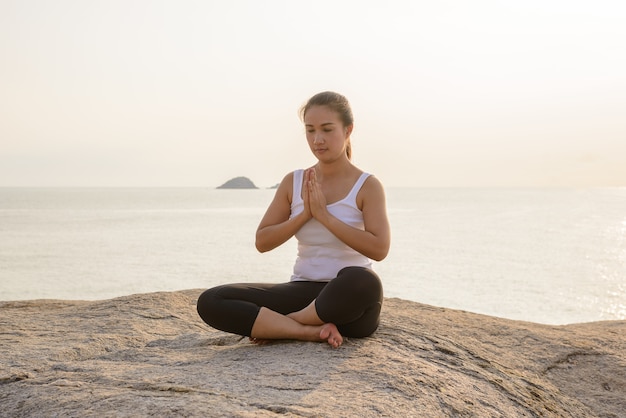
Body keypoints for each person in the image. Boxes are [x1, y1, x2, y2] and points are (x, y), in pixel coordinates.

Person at [196, 91, 390, 348]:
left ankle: (285, 324)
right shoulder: (294, 181)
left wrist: (325, 216)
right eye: (310, 130)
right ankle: (307, 331)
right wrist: (304, 215)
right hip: (303, 290)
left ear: (348, 130)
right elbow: (262, 241)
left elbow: (379, 249)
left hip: (347, 301)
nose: (317, 139)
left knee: (365, 281)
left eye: (327, 129)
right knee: (212, 300)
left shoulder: (367, 185)